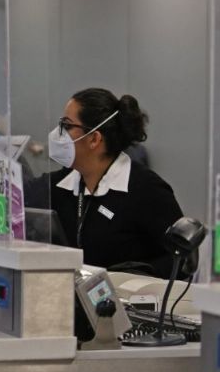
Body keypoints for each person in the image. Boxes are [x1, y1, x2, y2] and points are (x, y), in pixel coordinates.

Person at [43, 88, 182, 278]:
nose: (58, 133)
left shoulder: (147, 190)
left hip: (129, 303)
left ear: (94, 138)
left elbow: (182, 259)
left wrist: (135, 276)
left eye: (66, 126)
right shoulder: (59, 185)